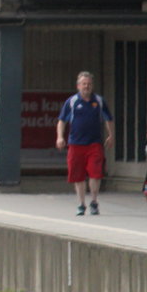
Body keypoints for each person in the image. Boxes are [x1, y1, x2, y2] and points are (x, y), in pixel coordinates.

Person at [56, 71, 114, 216]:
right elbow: (62, 121)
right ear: (78, 86)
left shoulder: (99, 101)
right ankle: (81, 203)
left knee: (95, 173)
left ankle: (94, 201)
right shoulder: (72, 102)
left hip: (95, 143)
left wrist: (111, 135)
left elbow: (109, 118)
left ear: (92, 85)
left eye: (89, 84)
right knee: (78, 175)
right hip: (76, 144)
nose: (86, 86)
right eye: (84, 84)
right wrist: (60, 137)